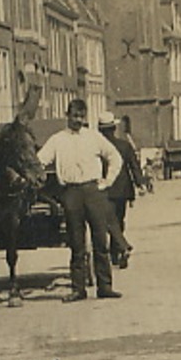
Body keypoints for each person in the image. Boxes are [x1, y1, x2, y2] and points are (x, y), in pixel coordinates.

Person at [37, 98, 123, 302]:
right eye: (74, 116)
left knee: (100, 240)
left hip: (93, 191)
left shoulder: (93, 137)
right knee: (76, 242)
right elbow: (40, 160)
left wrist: (106, 181)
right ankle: (78, 289)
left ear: (85, 117)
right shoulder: (57, 139)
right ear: (67, 116)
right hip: (71, 193)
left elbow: (114, 157)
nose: (77, 120)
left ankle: (105, 286)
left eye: (81, 116)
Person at [98, 113, 144, 268]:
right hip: (123, 190)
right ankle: (118, 250)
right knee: (119, 219)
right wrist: (140, 184)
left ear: (100, 130)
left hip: (105, 189)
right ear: (114, 128)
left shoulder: (97, 148)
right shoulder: (124, 145)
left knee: (108, 221)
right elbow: (134, 166)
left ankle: (116, 251)